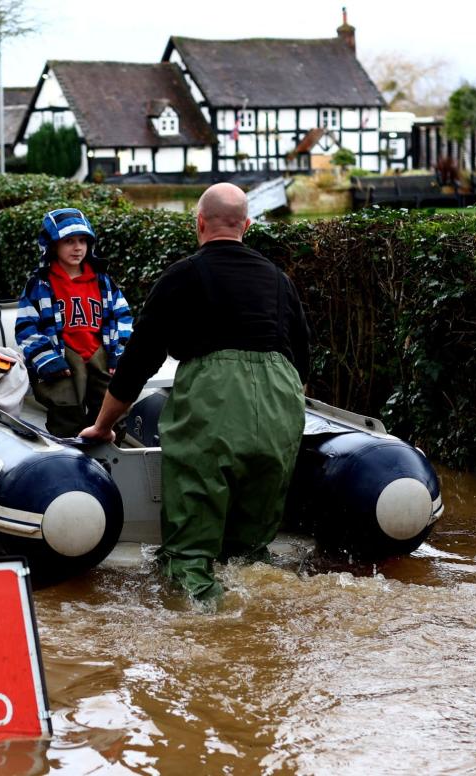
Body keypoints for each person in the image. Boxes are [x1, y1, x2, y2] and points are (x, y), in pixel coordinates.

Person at [80, 183, 310, 603]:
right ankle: (262, 620)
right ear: (248, 225)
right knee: (250, 558)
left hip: (214, 400)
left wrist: (102, 426)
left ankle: (212, 626)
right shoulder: (279, 281)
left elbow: (138, 362)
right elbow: (303, 366)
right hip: (282, 405)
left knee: (189, 555)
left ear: (199, 223)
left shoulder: (183, 275)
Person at [16, 208, 134, 437]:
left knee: (112, 406)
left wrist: (118, 353)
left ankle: (109, 457)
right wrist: (46, 358)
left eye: (83, 241)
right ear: (52, 245)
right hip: (62, 356)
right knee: (66, 408)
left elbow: (124, 317)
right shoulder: (40, 284)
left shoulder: (103, 281)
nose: (78, 247)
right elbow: (26, 327)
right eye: (68, 241)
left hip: (100, 352)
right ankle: (68, 459)